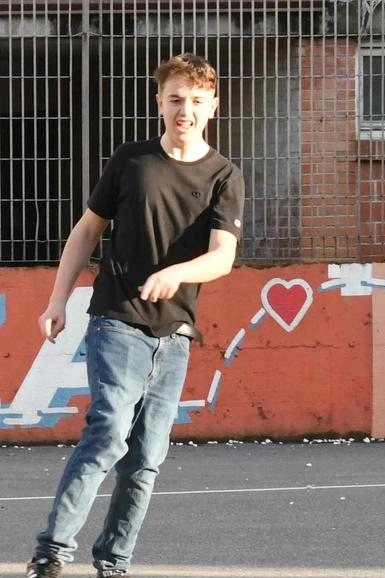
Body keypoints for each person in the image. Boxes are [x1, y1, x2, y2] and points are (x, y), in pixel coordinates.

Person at [27, 53, 244, 578]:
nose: (184, 110)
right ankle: (52, 552)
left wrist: (179, 272)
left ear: (212, 106)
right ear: (159, 103)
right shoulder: (131, 160)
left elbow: (223, 256)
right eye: (174, 100)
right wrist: (57, 300)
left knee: (145, 458)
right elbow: (85, 232)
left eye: (195, 101)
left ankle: (114, 561)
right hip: (117, 318)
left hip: (175, 334)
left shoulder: (223, 174)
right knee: (108, 432)